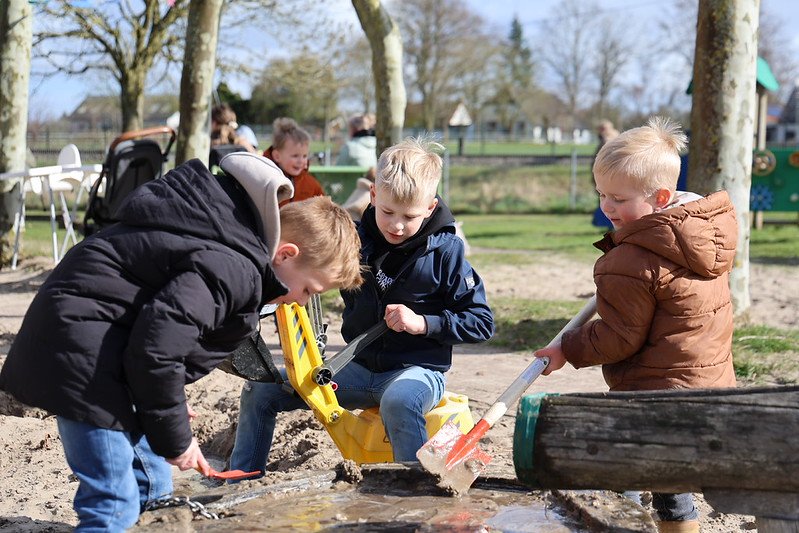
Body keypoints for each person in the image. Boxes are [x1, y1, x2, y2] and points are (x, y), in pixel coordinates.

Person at [0, 152, 363, 531]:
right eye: (308, 289)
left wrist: (166, 402)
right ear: (287, 254)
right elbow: (156, 353)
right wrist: (177, 440)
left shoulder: (227, 242)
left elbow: (157, 338)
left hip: (102, 349)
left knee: (156, 486)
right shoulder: (233, 269)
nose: (303, 301)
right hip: (83, 360)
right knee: (113, 503)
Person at [230, 136, 494, 474]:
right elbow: (303, 267)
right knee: (261, 390)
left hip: (417, 372)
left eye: (409, 216)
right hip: (355, 369)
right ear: (373, 196)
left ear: (430, 208)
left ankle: (409, 491)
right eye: (387, 211)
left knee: (398, 400)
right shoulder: (355, 240)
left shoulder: (447, 253)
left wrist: (423, 323)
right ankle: (241, 479)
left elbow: (481, 322)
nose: (396, 225)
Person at [535, 117, 737, 533]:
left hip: (654, 393)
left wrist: (567, 348)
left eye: (618, 199)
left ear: (661, 196)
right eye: (601, 194)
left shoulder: (632, 260)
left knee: (616, 473)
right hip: (707, 386)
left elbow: (619, 338)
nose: (606, 207)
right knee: (669, 482)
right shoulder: (700, 235)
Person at [264, 117, 325, 205]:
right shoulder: (267, 182)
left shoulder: (310, 184)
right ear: (277, 156)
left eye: (304, 156)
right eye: (295, 156)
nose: (301, 161)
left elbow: (324, 208)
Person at [591, 120, 620, 229]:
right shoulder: (616, 139)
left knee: (608, 202)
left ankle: (612, 226)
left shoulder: (607, 141)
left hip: (607, 176)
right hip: (606, 176)